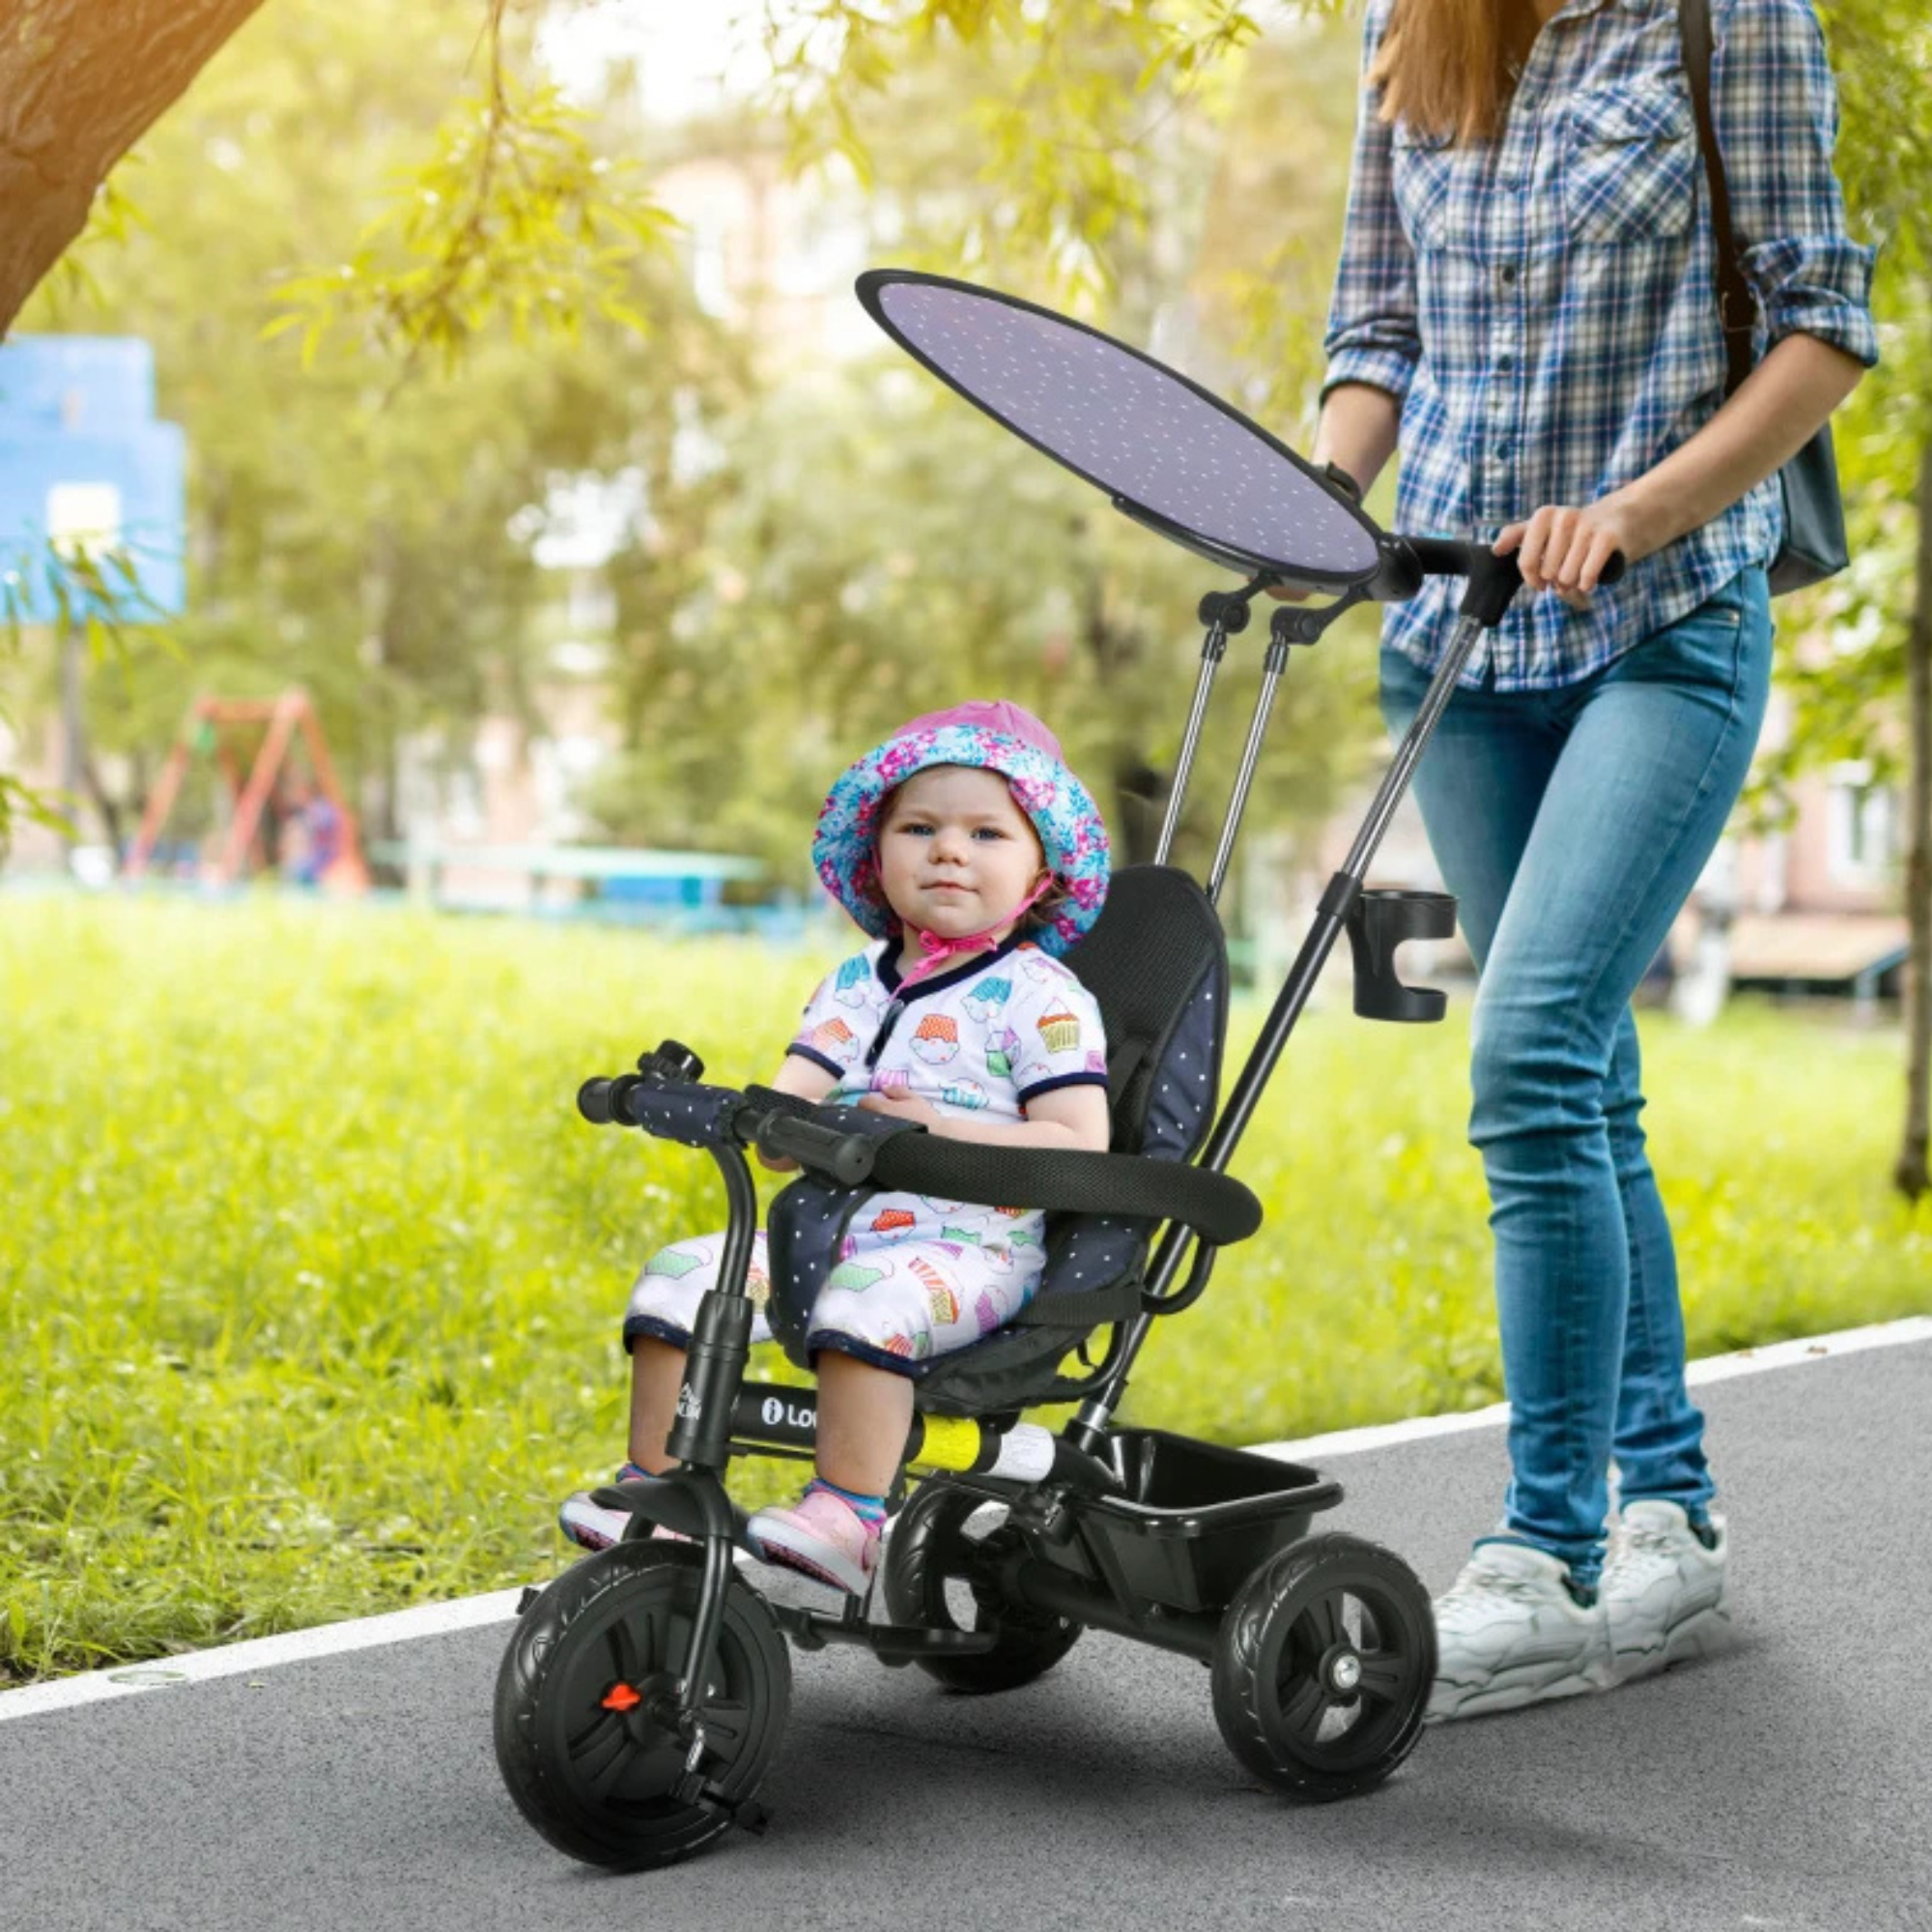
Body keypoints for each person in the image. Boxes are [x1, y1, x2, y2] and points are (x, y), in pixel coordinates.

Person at [1304, 0, 1876, 1718]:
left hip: (1663, 622)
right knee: (1588, 1083)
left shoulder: (1731, 19)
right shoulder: (1417, 32)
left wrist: (1637, 511)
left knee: (1534, 1051)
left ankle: (1540, 1554)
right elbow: (1377, 325)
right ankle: (1671, 1526)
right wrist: (1318, 495)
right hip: (1461, 636)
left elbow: (1824, 328)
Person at [559, 699, 1113, 1593]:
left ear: (1042, 874)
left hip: (968, 1245)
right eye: (921, 827)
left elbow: (1079, 1145)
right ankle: (659, 1494)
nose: (949, 851)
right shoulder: (855, 983)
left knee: (867, 1304)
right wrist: (741, 1115)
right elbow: (794, 1099)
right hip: (826, 1229)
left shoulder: (1040, 996)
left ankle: (853, 1515)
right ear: (878, 852)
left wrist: (939, 1129)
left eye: (987, 833)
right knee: (680, 1277)